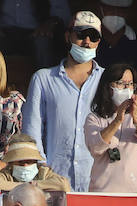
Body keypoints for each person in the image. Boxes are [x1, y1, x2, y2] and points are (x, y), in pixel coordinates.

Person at [25, 11, 105, 193]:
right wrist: (41, 167)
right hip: (53, 181)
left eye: (93, 36)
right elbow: (32, 129)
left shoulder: (107, 79)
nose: (87, 41)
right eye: (81, 34)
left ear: (99, 42)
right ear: (68, 36)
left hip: (97, 181)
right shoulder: (43, 78)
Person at [84, 62, 137, 193]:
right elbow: (96, 148)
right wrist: (118, 120)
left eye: (130, 84)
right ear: (108, 87)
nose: (126, 88)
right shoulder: (94, 118)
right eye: (121, 83)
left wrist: (135, 115)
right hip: (105, 193)